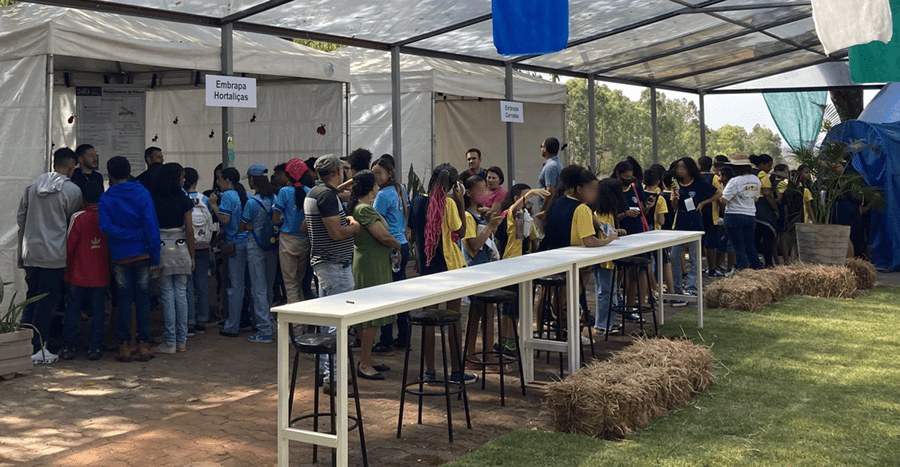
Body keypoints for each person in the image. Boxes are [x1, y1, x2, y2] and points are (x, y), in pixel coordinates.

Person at [408, 163, 477, 384]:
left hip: (427, 268)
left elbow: (411, 235)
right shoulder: (449, 204)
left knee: (429, 319)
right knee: (453, 319)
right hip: (450, 268)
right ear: (453, 186)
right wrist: (461, 202)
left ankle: (429, 372)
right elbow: (462, 231)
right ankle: (456, 371)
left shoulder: (417, 202)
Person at [17, 147, 83, 363]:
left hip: (31, 251)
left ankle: (24, 345)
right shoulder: (72, 190)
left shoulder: (32, 187)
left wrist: (21, 252)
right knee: (46, 302)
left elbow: (21, 218)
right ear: (71, 167)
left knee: (31, 299)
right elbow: (73, 222)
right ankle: (39, 347)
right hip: (54, 254)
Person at [304, 154, 361, 393]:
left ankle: (325, 371)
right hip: (335, 264)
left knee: (326, 321)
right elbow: (336, 233)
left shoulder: (315, 193)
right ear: (338, 171)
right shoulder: (326, 196)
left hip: (325, 264)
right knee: (338, 324)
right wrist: (354, 226)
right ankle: (334, 377)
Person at [99, 156, 160, 362]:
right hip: (142, 252)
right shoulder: (142, 193)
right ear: (129, 171)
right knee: (143, 300)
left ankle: (124, 346)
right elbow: (151, 225)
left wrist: (125, 235)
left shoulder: (106, 198)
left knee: (123, 300)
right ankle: (143, 345)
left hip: (120, 255)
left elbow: (105, 227)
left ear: (109, 174)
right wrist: (155, 255)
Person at [349, 170, 402, 379]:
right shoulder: (364, 209)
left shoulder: (362, 208)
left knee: (371, 315)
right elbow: (382, 235)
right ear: (372, 187)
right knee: (370, 316)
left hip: (373, 263)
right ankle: (364, 362)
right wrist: (398, 246)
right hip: (371, 265)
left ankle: (367, 357)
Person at [60, 181, 108, 361]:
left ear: (82, 199)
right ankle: (95, 348)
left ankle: (69, 348)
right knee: (98, 311)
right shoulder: (106, 215)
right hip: (100, 272)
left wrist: (67, 267)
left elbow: (70, 245)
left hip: (78, 272)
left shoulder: (78, 217)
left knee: (72, 309)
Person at [151, 163, 195, 354]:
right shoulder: (184, 200)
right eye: (181, 177)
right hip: (181, 247)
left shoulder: (154, 200)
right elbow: (190, 230)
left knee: (167, 294)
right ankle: (181, 340)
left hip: (162, 248)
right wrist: (192, 255)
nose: (183, 181)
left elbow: (151, 228)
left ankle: (170, 341)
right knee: (181, 293)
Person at [460, 175, 504, 370]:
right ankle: (489, 359)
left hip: (483, 269)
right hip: (476, 271)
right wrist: (491, 227)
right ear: (469, 193)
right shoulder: (468, 217)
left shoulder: (477, 215)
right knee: (487, 313)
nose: (485, 193)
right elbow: (474, 245)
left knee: (476, 314)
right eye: (481, 190)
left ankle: (470, 356)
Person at [371, 156, 410, 352]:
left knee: (386, 295)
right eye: (373, 174)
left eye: (379, 173)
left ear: (389, 173)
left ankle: (386, 340)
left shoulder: (382, 195)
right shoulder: (400, 189)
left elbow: (374, 221)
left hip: (391, 247)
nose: (376, 177)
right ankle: (404, 336)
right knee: (399, 294)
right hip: (403, 244)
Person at [670, 157, 722, 305]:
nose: (680, 170)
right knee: (674, 255)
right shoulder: (675, 184)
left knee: (694, 257)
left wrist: (703, 203)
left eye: (682, 167)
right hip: (679, 224)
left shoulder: (699, 183)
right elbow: (674, 207)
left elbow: (718, 193)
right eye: (678, 168)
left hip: (695, 224)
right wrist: (675, 196)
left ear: (690, 168)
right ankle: (677, 288)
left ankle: (692, 288)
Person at [208, 167, 249, 339]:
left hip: (234, 243)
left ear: (227, 181)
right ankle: (250, 319)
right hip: (246, 241)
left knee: (235, 286)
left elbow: (225, 219)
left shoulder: (227, 196)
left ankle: (232, 325)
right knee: (249, 285)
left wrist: (213, 205)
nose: (217, 183)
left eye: (219, 179)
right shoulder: (244, 194)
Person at [242, 163, 279, 344]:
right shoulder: (275, 198)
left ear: (252, 180)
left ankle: (264, 330)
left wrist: (249, 226)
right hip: (272, 246)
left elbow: (242, 225)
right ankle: (269, 324)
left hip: (255, 247)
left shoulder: (251, 202)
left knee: (258, 288)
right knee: (269, 287)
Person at [274, 158, 315, 305]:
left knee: (290, 284)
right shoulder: (309, 192)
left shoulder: (284, 192)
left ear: (287, 175)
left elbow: (275, 219)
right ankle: (302, 317)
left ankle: (295, 318)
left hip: (287, 241)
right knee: (299, 283)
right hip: (304, 240)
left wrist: (284, 223)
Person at [592, 177, 628, 333]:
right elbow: (603, 231)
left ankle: (607, 322)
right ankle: (603, 324)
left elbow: (607, 230)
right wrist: (613, 233)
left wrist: (615, 231)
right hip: (604, 257)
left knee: (609, 290)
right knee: (605, 291)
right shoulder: (600, 212)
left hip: (607, 256)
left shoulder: (606, 212)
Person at [720, 154, 763, 270]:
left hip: (734, 214)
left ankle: (742, 270)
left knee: (738, 246)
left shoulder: (735, 181)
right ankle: (757, 268)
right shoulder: (756, 180)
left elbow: (724, 200)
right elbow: (756, 198)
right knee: (750, 245)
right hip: (750, 214)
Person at [184, 168, 212, 335]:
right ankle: (202, 319)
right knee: (202, 283)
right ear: (196, 181)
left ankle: (189, 322)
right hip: (204, 245)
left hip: (187, 245)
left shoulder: (181, 197)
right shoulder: (205, 199)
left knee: (187, 285)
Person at [750, 154, 778, 267]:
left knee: (753, 238)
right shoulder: (762, 175)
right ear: (762, 164)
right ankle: (768, 263)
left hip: (749, 206)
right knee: (768, 236)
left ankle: (754, 262)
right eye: (769, 166)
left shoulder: (749, 173)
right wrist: (775, 208)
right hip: (762, 208)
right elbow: (767, 193)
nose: (770, 169)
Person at [537, 138, 564, 206]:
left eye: (541, 146)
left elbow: (550, 192)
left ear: (545, 149)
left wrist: (543, 210)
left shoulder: (550, 167)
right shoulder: (557, 164)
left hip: (550, 208)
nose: (541, 149)